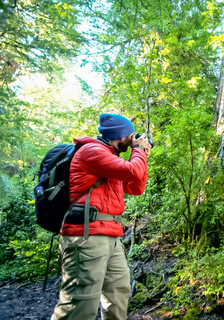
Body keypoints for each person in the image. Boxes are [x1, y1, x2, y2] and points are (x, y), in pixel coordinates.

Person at [51, 114, 151, 320]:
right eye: (130, 135)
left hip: (110, 237)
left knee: (118, 294)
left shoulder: (110, 157)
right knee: (80, 303)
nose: (133, 139)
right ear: (120, 135)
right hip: (87, 236)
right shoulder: (92, 152)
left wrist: (142, 155)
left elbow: (136, 187)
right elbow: (132, 172)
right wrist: (138, 151)